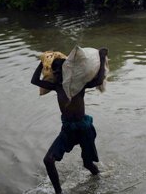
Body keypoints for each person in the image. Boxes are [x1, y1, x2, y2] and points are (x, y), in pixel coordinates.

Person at [31, 48, 109, 194]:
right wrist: (43, 63)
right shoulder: (56, 87)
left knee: (88, 164)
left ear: (67, 71)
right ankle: (58, 192)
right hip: (67, 129)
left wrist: (102, 57)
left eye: (61, 72)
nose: (59, 75)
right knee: (48, 160)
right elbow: (34, 81)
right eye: (56, 72)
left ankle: (99, 180)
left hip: (84, 128)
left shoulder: (79, 85)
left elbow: (98, 80)